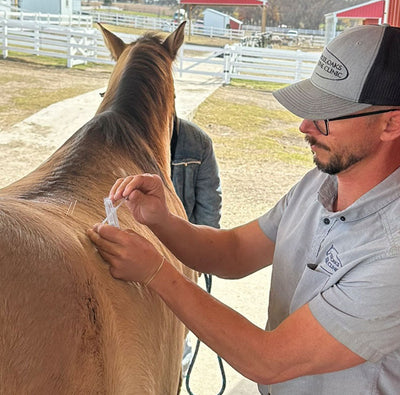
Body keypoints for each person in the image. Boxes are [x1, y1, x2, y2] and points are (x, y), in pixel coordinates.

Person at [87, 24, 400, 394]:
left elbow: (269, 360)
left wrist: (156, 271)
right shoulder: (322, 182)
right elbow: (234, 251)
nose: (305, 126)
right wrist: (162, 221)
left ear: (391, 123)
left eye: (326, 115)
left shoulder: (391, 251)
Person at [170, 114, 222, 376]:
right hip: (134, 255)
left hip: (179, 257)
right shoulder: (114, 132)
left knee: (179, 335)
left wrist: (204, 254)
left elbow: (209, 204)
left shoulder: (197, 142)